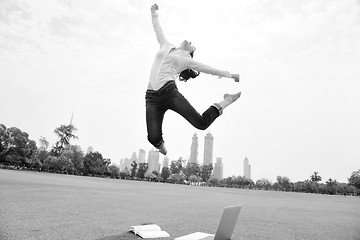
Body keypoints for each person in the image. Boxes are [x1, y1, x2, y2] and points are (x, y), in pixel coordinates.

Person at [146, 4, 241, 155]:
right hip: (151, 98)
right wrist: (153, 12)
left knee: (201, 124)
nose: (191, 43)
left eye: (192, 46)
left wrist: (231, 75)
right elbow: (157, 27)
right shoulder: (166, 45)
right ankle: (161, 146)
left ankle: (227, 101)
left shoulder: (186, 59)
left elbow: (210, 69)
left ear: (190, 53)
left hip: (169, 93)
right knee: (153, 138)